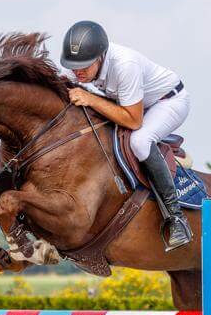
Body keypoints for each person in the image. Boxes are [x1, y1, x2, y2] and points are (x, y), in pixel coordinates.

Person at [60, 21, 192, 251]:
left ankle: (176, 218)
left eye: (84, 66)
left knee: (140, 141)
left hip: (167, 102)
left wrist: (90, 99)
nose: (77, 71)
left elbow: (133, 120)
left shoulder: (125, 65)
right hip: (133, 103)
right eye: (73, 66)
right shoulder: (82, 68)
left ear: (101, 56)